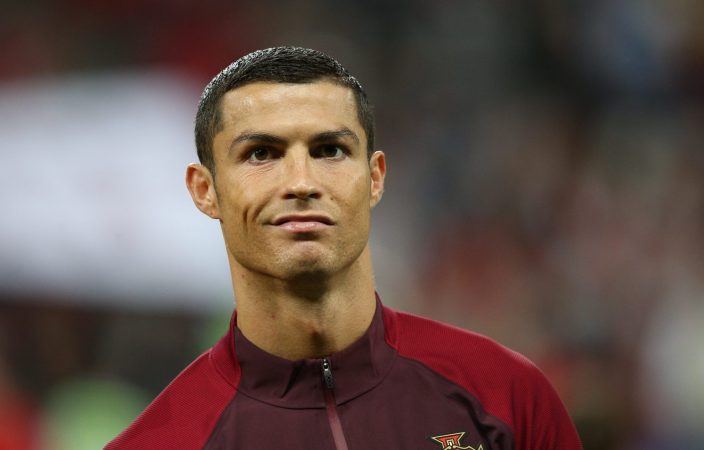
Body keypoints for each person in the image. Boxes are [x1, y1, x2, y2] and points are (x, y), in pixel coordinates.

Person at [105, 47, 583, 450]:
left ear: (374, 177)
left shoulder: (506, 395)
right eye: (261, 154)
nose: (301, 182)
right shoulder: (160, 442)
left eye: (329, 150)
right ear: (205, 190)